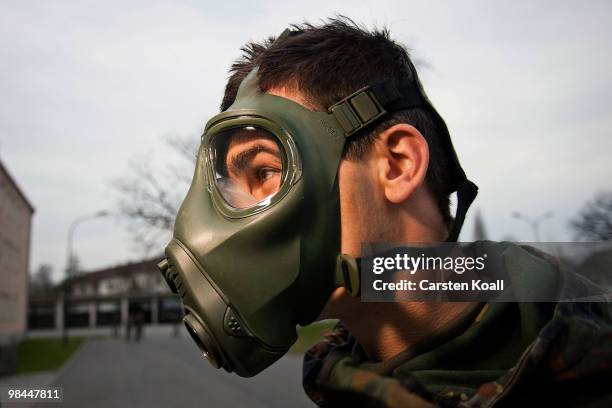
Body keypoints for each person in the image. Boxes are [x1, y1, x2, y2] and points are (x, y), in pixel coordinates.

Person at [162, 17, 612, 407]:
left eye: (265, 170)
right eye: (229, 186)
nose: (229, 224)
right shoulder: (344, 385)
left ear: (397, 165)